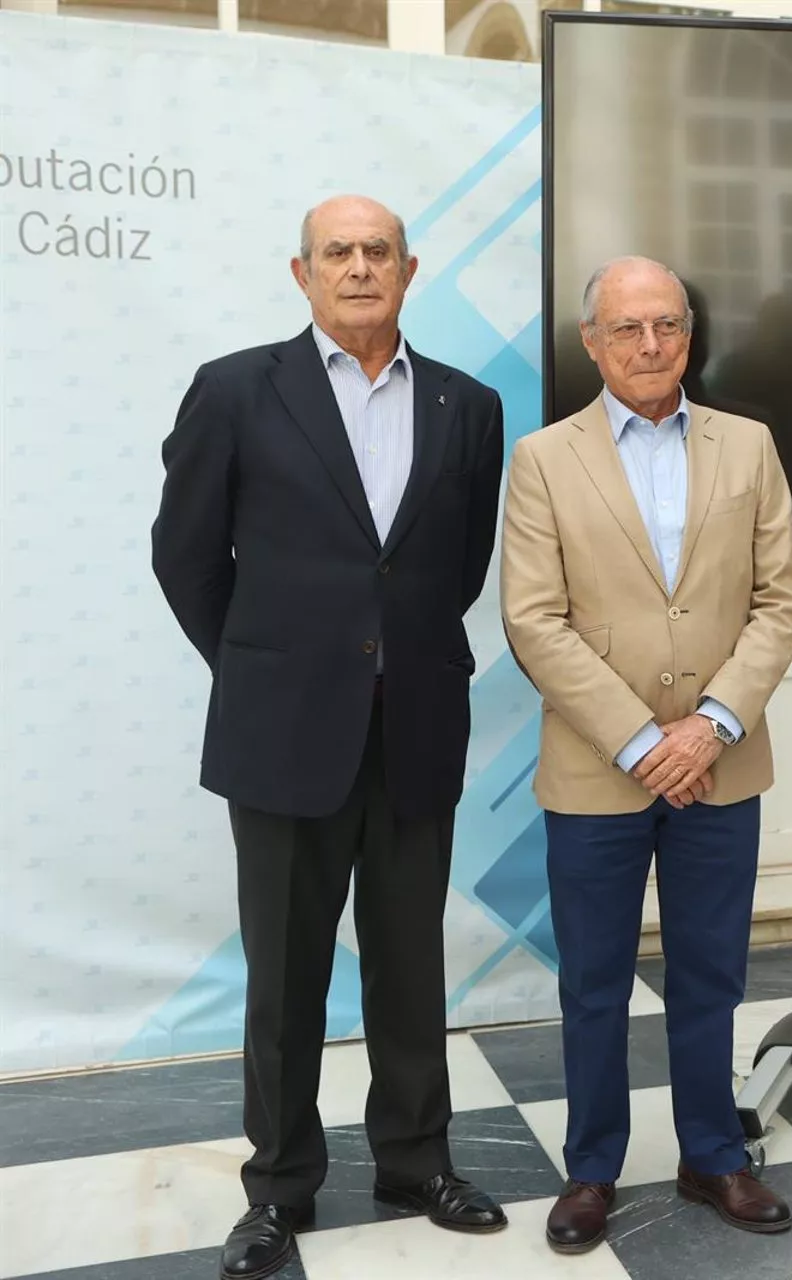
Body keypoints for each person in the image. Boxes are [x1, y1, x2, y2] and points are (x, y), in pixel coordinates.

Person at [150, 195, 508, 1280]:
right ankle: (279, 1187)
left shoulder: (468, 404)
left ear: (411, 269)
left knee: (410, 967)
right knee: (287, 974)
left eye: (377, 252)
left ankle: (415, 1158)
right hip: (283, 732)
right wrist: (267, 664)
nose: (359, 268)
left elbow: (457, 566)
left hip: (416, 726)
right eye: (336, 253)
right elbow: (186, 557)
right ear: (300, 272)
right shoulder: (234, 390)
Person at [499, 256, 792, 1255]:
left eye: (665, 325)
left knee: (710, 971)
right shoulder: (544, 458)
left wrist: (710, 723)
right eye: (625, 327)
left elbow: (780, 599)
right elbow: (535, 621)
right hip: (600, 767)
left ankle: (712, 1150)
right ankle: (593, 1168)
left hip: (721, 759)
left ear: (689, 334)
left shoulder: (749, 445)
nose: (647, 345)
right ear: (592, 341)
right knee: (592, 979)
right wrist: (643, 741)